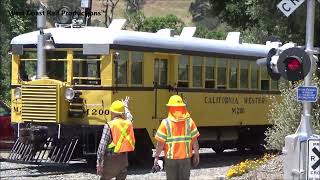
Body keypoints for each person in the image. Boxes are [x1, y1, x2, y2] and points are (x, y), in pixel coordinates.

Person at [153, 95, 200, 180]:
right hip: (185, 159)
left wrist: (157, 156)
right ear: (183, 107)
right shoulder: (190, 122)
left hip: (170, 160)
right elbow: (195, 141)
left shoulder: (165, 123)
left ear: (170, 107)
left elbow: (160, 143)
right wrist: (196, 154)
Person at [96, 98, 135, 180]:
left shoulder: (109, 125)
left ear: (113, 112)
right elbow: (130, 117)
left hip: (110, 161)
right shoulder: (128, 123)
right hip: (123, 160)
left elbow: (102, 146)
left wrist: (99, 164)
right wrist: (125, 106)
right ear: (122, 112)